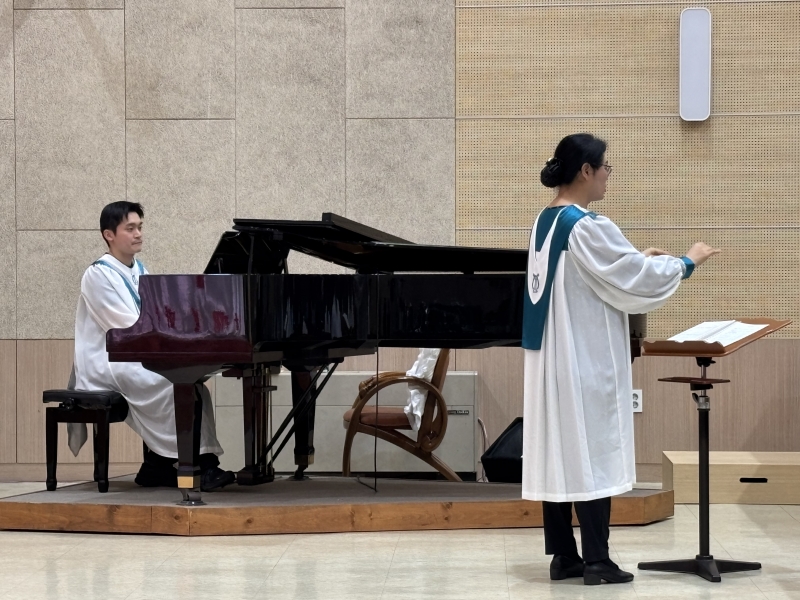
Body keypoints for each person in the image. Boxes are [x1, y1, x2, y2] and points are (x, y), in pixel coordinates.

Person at [521, 134, 720, 585]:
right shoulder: (586, 225)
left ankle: (564, 557)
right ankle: (598, 561)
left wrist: (635, 258)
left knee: (562, 453)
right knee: (593, 450)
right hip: (584, 357)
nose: (608, 175)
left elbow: (596, 272)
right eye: (605, 167)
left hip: (552, 358)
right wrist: (686, 262)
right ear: (586, 171)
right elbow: (635, 280)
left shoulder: (545, 221)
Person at [72, 201, 236, 491]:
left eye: (140, 227)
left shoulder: (140, 270)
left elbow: (157, 316)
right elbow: (124, 326)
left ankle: (159, 466)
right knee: (170, 382)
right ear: (109, 235)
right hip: (108, 360)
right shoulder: (98, 274)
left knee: (194, 386)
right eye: (130, 228)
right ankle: (199, 467)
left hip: (136, 353)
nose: (138, 234)